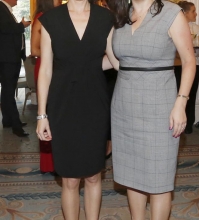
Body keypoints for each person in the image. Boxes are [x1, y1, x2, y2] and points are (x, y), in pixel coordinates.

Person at [105, 0, 196, 219]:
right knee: (132, 176)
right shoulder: (120, 15)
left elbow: (189, 61)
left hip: (160, 107)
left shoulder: (172, 13)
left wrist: (181, 103)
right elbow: (116, 62)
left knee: (159, 179)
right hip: (124, 108)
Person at [36, 0, 113, 219]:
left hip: (95, 105)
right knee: (69, 179)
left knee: (94, 176)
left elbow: (115, 60)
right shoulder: (51, 19)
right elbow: (46, 71)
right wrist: (42, 115)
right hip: (63, 106)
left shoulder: (105, 18)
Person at [31, 0, 62, 173]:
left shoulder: (60, 17)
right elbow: (34, 50)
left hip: (58, 67)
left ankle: (59, 159)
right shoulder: (42, 18)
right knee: (48, 113)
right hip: (46, 68)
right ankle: (49, 163)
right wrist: (56, 51)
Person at [0, 0, 31, 137]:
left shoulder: (5, 9)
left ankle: (8, 120)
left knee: (7, 90)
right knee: (8, 91)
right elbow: (5, 28)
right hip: (7, 58)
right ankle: (16, 126)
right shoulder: (0, 7)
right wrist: (22, 25)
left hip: (10, 57)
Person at [174, 1, 199, 134]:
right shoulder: (173, 27)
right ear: (184, 13)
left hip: (194, 66)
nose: (196, 13)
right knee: (175, 96)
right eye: (193, 11)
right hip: (175, 66)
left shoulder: (196, 29)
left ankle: (188, 125)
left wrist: (188, 52)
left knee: (190, 96)